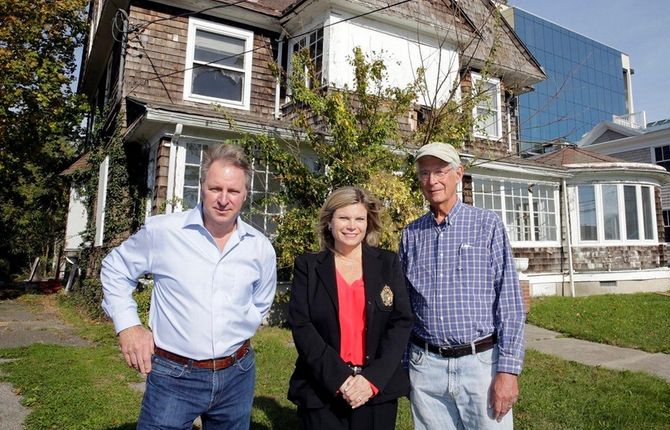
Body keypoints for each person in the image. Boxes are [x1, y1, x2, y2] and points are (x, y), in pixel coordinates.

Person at [100, 144, 277, 429]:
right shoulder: (164, 232)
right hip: (174, 375)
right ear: (201, 186)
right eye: (215, 188)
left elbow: (260, 303)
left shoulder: (260, 247)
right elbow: (115, 268)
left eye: (233, 191)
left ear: (245, 194)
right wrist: (128, 326)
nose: (223, 199)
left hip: (238, 373)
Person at [398, 142, 526, 429]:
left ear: (459, 173)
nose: (432, 181)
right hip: (426, 367)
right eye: (424, 173)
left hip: (480, 367)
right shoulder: (411, 234)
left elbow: (509, 302)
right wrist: (406, 366)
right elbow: (404, 307)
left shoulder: (487, 225)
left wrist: (508, 371)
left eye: (440, 171)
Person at [288, 186, 413, 430]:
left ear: (368, 223)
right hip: (322, 389)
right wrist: (340, 379)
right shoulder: (308, 267)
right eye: (343, 218)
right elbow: (302, 326)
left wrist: (371, 380)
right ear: (329, 222)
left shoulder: (387, 263)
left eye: (359, 218)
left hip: (375, 392)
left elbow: (401, 323)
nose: (351, 226)